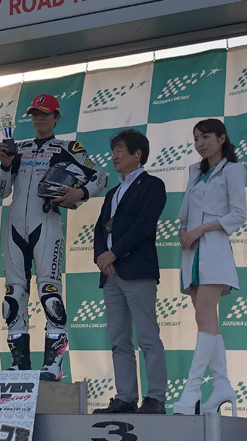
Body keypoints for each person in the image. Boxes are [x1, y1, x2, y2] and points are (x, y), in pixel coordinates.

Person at [0, 94, 107, 381]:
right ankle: (19, 364)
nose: (39, 118)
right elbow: (0, 193)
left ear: (56, 117)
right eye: (34, 114)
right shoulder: (18, 148)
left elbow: (100, 176)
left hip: (46, 223)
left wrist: (80, 193)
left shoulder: (68, 148)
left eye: (45, 113)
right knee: (13, 295)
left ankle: (53, 364)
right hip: (14, 225)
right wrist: (5, 166)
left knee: (50, 292)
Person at [173, 118, 246, 416]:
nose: (200, 144)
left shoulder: (233, 170)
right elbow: (184, 215)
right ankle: (222, 386)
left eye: (205, 137)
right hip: (192, 253)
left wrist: (201, 230)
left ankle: (191, 390)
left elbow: (238, 214)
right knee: (208, 323)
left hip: (214, 250)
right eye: (196, 139)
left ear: (221, 138)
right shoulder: (195, 172)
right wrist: (184, 232)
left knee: (204, 317)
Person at [91, 129, 168, 414]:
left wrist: (115, 253)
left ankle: (155, 397)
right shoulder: (113, 192)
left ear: (138, 154)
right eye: (113, 152)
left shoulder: (153, 185)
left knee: (147, 337)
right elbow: (100, 228)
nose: (114, 157)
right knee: (119, 339)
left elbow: (144, 226)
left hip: (137, 271)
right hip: (111, 274)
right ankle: (125, 397)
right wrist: (102, 257)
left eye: (119, 152)